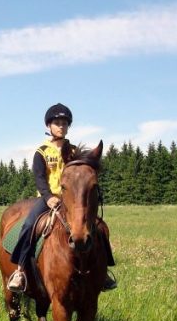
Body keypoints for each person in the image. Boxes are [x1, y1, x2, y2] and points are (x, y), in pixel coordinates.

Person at [7, 103, 117, 293]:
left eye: (65, 123)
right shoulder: (42, 151)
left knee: (100, 227)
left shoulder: (74, 151)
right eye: (57, 123)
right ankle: (20, 271)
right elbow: (40, 178)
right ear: (49, 126)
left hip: (72, 199)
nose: (61, 126)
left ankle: (104, 272)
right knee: (29, 225)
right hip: (48, 198)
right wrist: (48, 197)